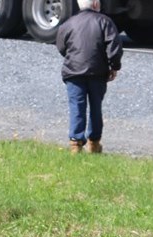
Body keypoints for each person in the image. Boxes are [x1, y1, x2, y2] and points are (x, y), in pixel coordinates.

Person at [56, 0, 122, 154]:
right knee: (95, 108)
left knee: (77, 106)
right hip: (97, 72)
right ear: (95, 4)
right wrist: (114, 66)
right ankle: (94, 143)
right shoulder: (105, 21)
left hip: (73, 72)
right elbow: (114, 46)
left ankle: (75, 144)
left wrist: (72, 58)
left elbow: (61, 46)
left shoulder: (69, 23)